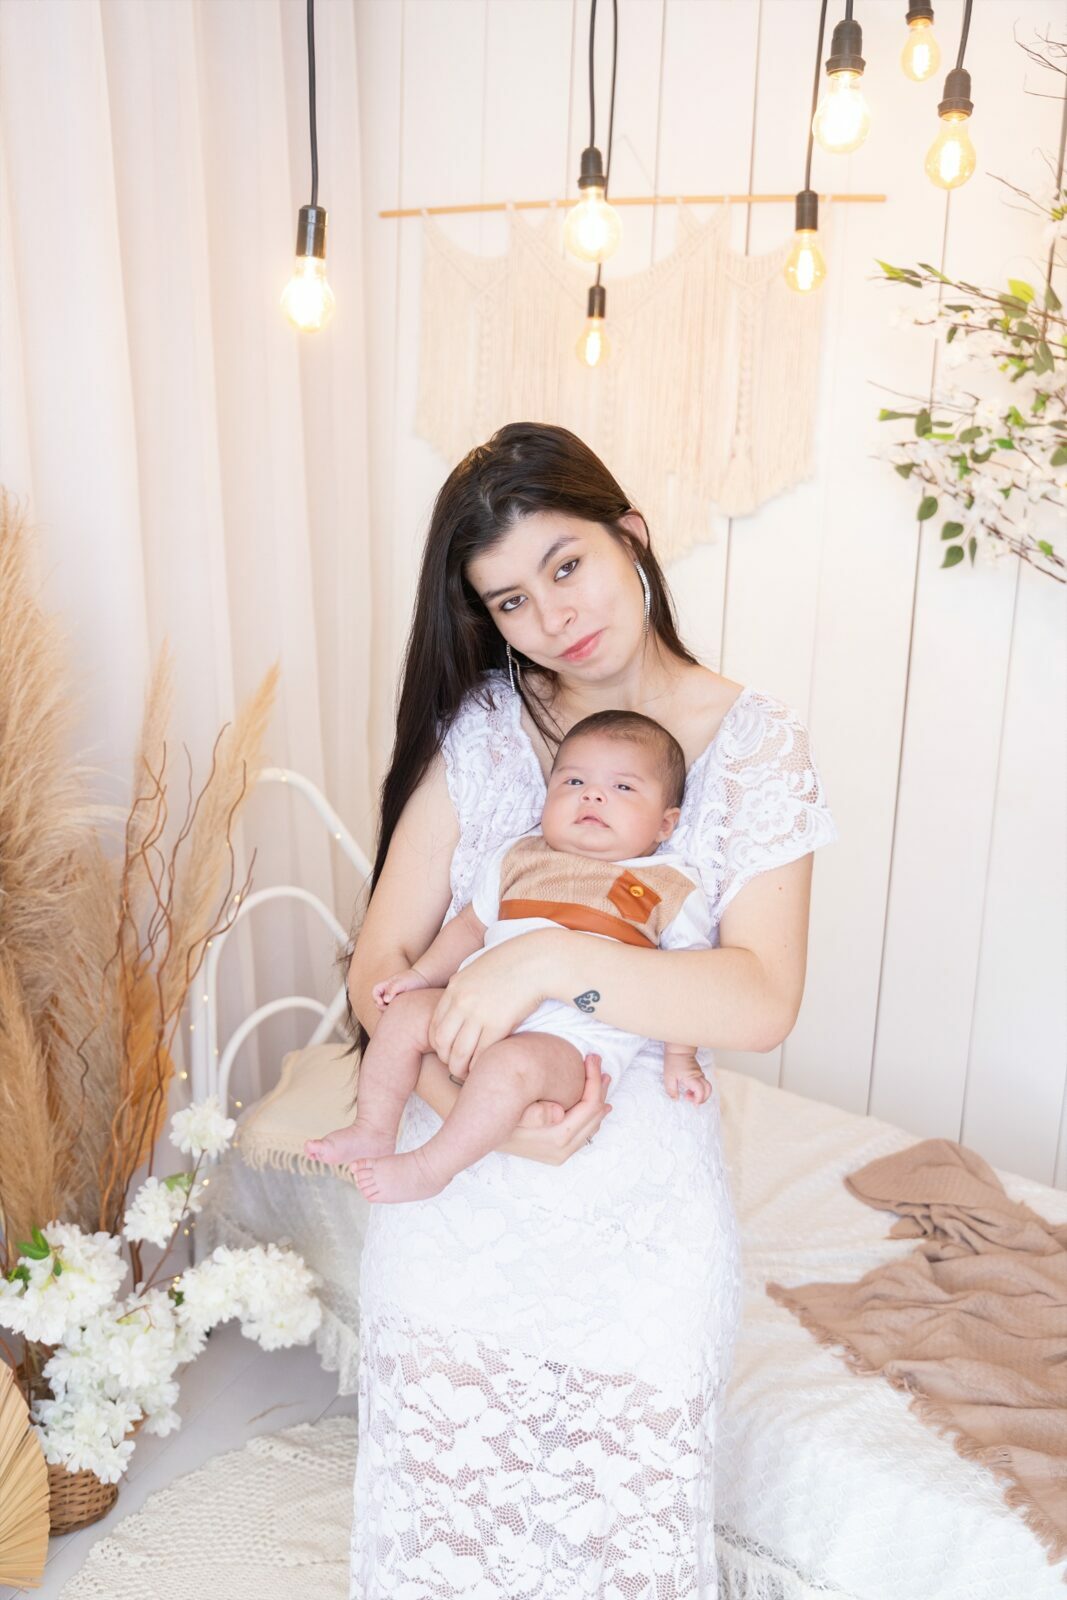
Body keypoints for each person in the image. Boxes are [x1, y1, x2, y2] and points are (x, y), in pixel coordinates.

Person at [345, 421, 838, 1598]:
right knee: (446, 1538)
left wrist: (547, 959)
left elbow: (758, 997)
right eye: (510, 600)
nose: (552, 616)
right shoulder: (484, 732)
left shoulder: (754, 749)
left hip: (638, 1224)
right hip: (454, 1215)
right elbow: (381, 965)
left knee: (616, 1548)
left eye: (566, 564)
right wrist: (462, 1107)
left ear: (631, 535)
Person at [306, 711, 714, 1205]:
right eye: (574, 781)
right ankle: (373, 1127)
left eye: (623, 787)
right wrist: (419, 976)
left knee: (510, 1065)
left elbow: (688, 983)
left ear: (666, 823)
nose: (593, 795)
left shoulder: (667, 884)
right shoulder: (520, 856)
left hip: (570, 1043)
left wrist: (681, 1058)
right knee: (404, 1015)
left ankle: (431, 1167)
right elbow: (469, 928)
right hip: (474, 1014)